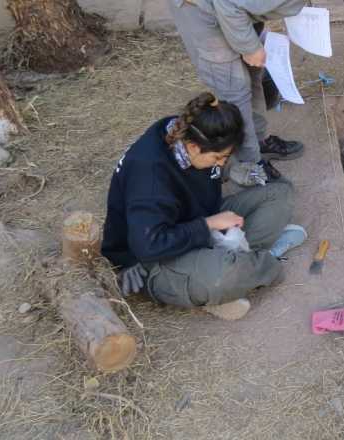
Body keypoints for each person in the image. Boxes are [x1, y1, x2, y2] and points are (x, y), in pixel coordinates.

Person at [101, 92, 307, 320]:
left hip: (194, 219)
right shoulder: (150, 178)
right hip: (154, 257)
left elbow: (212, 168)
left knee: (280, 193)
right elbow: (148, 245)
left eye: (226, 157)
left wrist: (231, 170)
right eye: (219, 158)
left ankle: (241, 263)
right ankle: (259, 264)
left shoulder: (187, 129)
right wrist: (208, 224)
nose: (221, 163)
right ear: (193, 147)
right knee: (221, 276)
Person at [167, 0, 308, 187]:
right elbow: (228, 5)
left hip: (232, 8)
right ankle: (249, 164)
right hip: (201, 10)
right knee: (234, 90)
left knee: (253, 72)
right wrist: (249, 46)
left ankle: (259, 141)